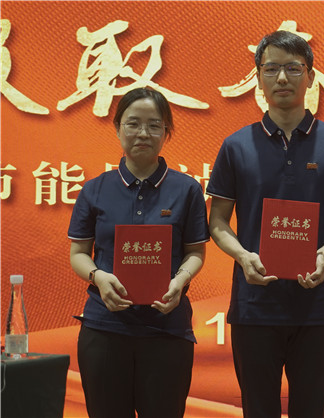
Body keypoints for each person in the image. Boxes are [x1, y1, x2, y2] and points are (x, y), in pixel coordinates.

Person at [206, 30, 324, 418]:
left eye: (293, 68)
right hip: (254, 306)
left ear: (310, 76)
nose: (282, 78)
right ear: (258, 78)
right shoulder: (236, 145)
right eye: (271, 69)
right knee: (257, 409)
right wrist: (243, 256)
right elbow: (218, 221)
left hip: (317, 306)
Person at [68, 87, 209, 418]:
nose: (143, 133)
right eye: (133, 123)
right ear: (117, 128)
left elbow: (195, 252)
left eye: (154, 125)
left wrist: (180, 281)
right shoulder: (95, 189)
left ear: (166, 132)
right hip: (105, 327)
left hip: (166, 328)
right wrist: (98, 277)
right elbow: (78, 253)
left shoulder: (187, 189)